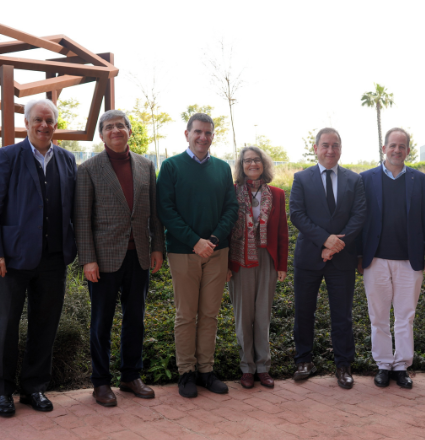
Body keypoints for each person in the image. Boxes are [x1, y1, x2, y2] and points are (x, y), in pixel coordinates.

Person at [0, 98, 77, 417]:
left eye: (49, 120)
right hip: (11, 259)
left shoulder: (66, 159)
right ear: (26, 123)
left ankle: (34, 387)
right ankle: (1, 391)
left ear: (55, 125)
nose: (44, 125)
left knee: (45, 325)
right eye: (38, 119)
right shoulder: (8, 155)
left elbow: (72, 209)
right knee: (5, 326)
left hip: (52, 259)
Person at [74, 110, 165, 406]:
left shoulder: (145, 165)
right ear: (101, 135)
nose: (116, 130)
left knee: (135, 319)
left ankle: (130, 375)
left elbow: (154, 213)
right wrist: (88, 259)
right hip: (103, 259)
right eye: (109, 127)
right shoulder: (88, 169)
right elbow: (82, 218)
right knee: (101, 321)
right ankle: (100, 382)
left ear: (129, 130)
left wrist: (156, 247)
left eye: (121, 126)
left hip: (138, 256)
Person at [156, 113, 239, 398]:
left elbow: (231, 208)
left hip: (218, 251)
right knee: (185, 314)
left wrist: (213, 240)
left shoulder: (222, 168)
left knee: (209, 315)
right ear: (187, 134)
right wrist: (195, 241)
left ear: (212, 136)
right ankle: (186, 372)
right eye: (198, 132)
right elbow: (165, 210)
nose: (203, 137)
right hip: (183, 252)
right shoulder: (170, 167)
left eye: (208, 133)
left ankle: (206, 371)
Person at [357, 127, 425, 389]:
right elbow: (359, 220)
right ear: (384, 148)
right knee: (378, 316)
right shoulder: (365, 179)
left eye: (402, 146)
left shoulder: (419, 179)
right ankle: (382, 365)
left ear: (408, 150)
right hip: (375, 260)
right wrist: (358, 255)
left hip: (410, 260)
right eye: (392, 145)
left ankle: (402, 366)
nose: (397, 150)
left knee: (406, 315)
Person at [289, 127, 366, 389]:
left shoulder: (354, 180)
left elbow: (359, 217)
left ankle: (343, 365)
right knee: (303, 312)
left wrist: (334, 246)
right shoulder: (301, 178)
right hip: (309, 257)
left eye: (335, 145)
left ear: (341, 149)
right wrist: (325, 240)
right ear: (315, 148)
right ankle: (303, 361)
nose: (330, 150)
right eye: (325, 145)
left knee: (342, 315)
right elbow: (297, 214)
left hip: (342, 259)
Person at [226, 146, 289, 389]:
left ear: (264, 164)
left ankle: (263, 367)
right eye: (247, 161)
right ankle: (247, 368)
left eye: (257, 160)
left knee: (263, 314)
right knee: (243, 317)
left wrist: (281, 264)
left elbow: (282, 232)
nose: (252, 164)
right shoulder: (231, 193)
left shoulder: (277, 193)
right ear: (241, 167)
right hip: (239, 260)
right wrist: (225, 265)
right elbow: (225, 229)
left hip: (267, 259)